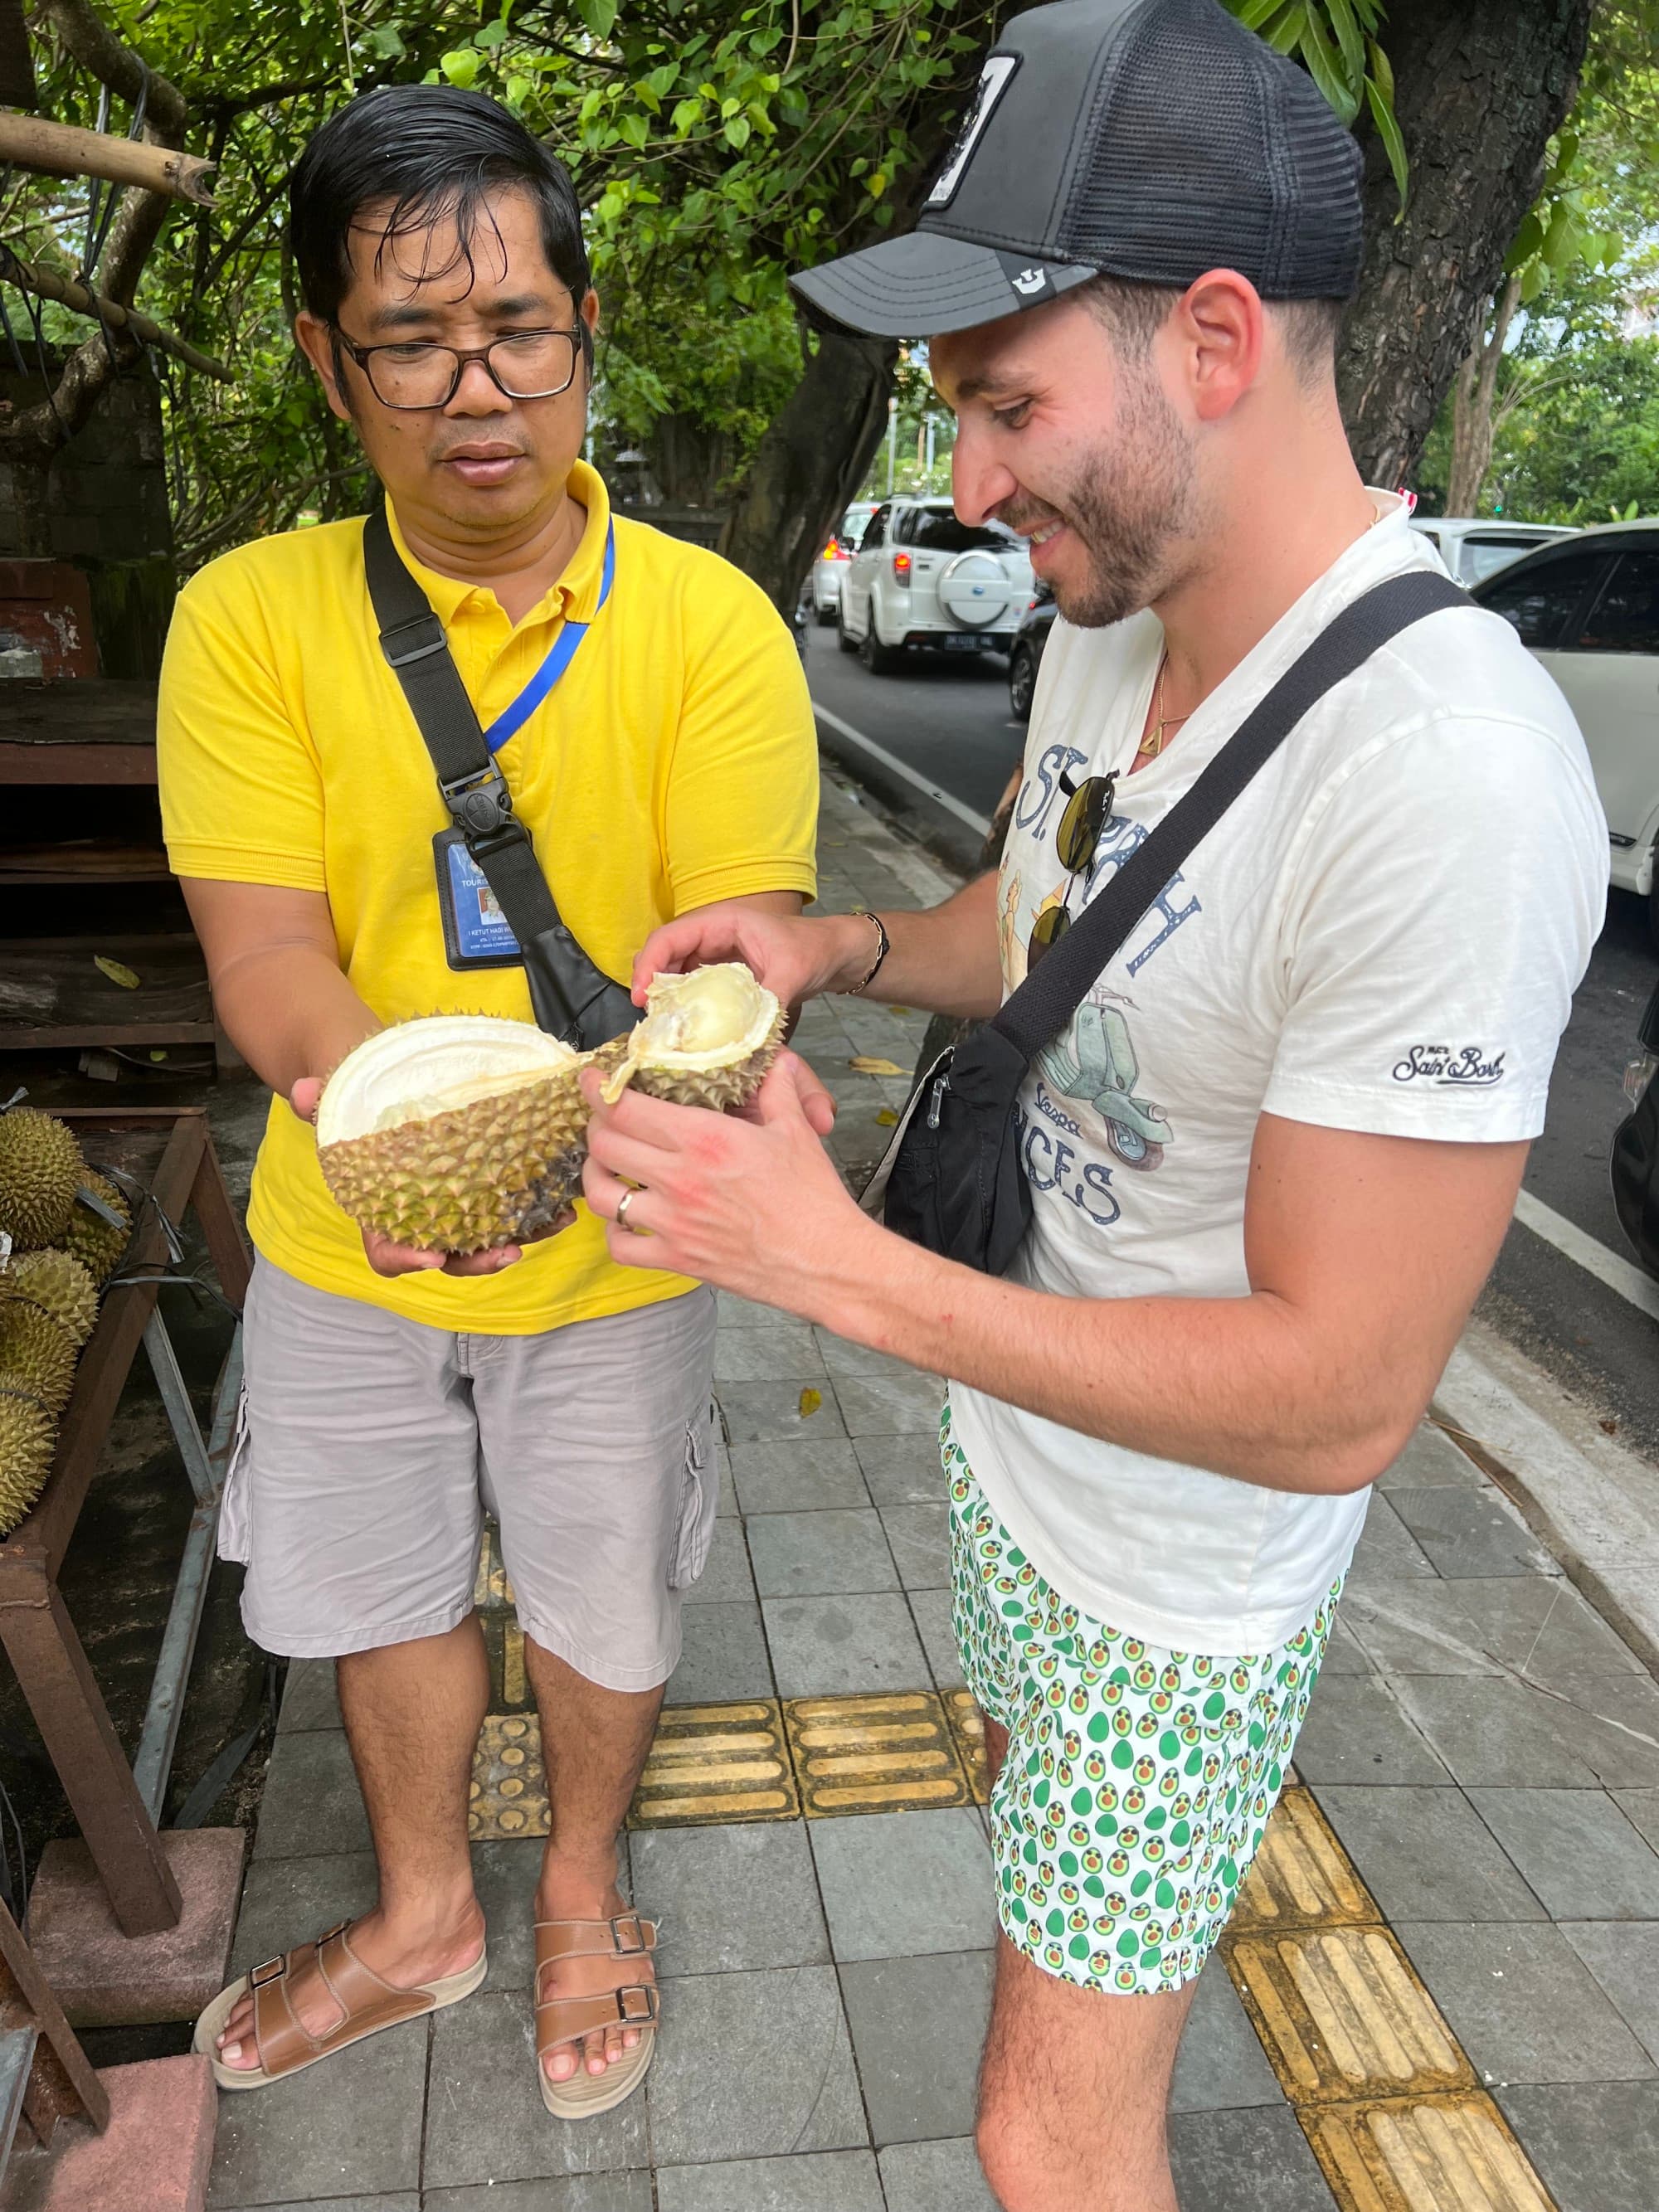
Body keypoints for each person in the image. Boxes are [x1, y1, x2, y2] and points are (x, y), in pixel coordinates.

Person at [576, 1, 1607, 2203]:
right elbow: (1038, 923)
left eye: (1009, 406)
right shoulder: (1113, 617)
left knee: (1044, 2135)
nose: (963, 485)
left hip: (1180, 1583)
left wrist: (834, 1273)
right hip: (1029, 1460)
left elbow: (1339, 1397)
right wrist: (837, 946)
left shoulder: (1447, 774)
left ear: (1217, 340)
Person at [158, 85, 820, 2113]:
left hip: (619, 1234)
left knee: (604, 1586)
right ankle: (428, 1908)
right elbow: (268, 958)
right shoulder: (250, 616)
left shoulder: (706, 624)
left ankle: (582, 1891)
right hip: (344, 1223)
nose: (476, 389)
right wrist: (402, 1141)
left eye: (518, 329)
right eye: (410, 341)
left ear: (583, 330)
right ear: (321, 359)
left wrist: (564, 1154)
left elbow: (726, 959)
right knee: (376, 1585)